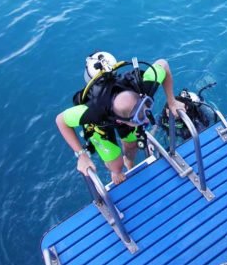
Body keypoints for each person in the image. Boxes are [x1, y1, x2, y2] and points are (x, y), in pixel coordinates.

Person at [56, 52, 185, 184]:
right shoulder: (93, 112)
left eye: (145, 111)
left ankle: (128, 161)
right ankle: (116, 171)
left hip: (125, 115)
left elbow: (162, 64)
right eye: (139, 119)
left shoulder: (143, 88)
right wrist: (81, 154)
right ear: (120, 121)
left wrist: (172, 101)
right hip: (101, 125)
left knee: (131, 145)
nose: (146, 121)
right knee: (116, 164)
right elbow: (61, 120)